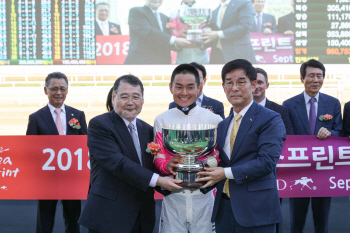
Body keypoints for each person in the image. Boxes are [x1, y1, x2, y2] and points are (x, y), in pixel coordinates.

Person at [79, 75, 183, 233]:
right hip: (109, 216)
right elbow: (118, 164)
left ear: (142, 100)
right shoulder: (99, 125)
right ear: (114, 97)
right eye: (124, 97)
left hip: (143, 217)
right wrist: (159, 180)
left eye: (136, 97)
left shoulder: (148, 130)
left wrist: (167, 169)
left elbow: (151, 166)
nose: (130, 102)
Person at [197, 59, 285, 233]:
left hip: (256, 211)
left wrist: (224, 173)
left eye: (241, 82)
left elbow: (266, 162)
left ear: (253, 85)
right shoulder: (223, 124)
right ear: (223, 87)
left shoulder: (270, 118)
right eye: (229, 83)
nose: (234, 88)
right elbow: (222, 161)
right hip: (225, 210)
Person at [153, 64, 222, 232]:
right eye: (179, 87)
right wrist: (167, 166)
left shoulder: (214, 120)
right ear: (171, 88)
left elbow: (219, 156)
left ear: (199, 87)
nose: (184, 93)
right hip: (174, 198)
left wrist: (207, 164)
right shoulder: (162, 120)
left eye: (190, 87)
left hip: (204, 198)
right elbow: (157, 155)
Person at [282, 59, 343, 233]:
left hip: (324, 172)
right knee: (297, 222)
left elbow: (341, 132)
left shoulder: (333, 103)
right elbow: (287, 137)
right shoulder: (288, 105)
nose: (316, 80)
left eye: (320, 76)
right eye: (311, 75)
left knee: (322, 222)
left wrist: (332, 133)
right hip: (298, 171)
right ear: (302, 78)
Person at [26, 72, 87, 233]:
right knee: (45, 223)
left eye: (62, 88)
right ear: (46, 90)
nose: (58, 92)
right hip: (46, 181)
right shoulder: (36, 118)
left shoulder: (78, 115)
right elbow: (29, 149)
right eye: (54, 88)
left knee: (73, 222)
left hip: (72, 180)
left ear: (67, 90)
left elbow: (85, 147)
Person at [124, 0, 190, 64]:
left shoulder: (165, 18)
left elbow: (167, 40)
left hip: (162, 65)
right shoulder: (136, 12)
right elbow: (148, 32)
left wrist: (179, 40)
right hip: (141, 63)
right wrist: (175, 39)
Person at [202, 0, 256, 64]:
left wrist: (218, 34)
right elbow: (212, 32)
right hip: (217, 55)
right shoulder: (214, 11)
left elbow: (245, 26)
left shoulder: (244, 3)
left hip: (238, 54)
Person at [253, 67, 293, 135]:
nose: (256, 86)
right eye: (253, 83)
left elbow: (289, 137)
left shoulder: (281, 111)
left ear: (267, 85)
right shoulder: (240, 110)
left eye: (260, 82)